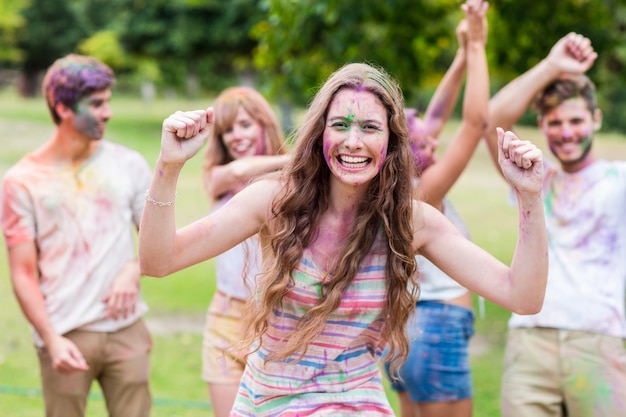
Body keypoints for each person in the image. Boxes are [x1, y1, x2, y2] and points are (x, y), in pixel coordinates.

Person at [138, 60, 547, 416]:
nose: (354, 141)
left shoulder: (410, 221)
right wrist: (168, 166)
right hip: (269, 403)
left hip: (356, 403)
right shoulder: (272, 202)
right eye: (340, 125)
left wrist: (530, 198)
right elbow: (160, 261)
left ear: (390, 142)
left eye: (370, 127)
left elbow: (521, 295)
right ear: (319, 135)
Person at [0, 54, 152, 417]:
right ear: (63, 107)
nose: (108, 112)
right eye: (97, 103)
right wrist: (51, 339)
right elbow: (22, 273)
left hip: (126, 328)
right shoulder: (21, 181)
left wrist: (133, 270)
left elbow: (157, 241)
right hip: (63, 334)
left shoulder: (129, 164)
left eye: (108, 101)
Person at [484, 33, 626, 417]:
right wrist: (552, 65)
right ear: (542, 125)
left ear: (596, 119)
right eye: (556, 122)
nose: (567, 132)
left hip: (600, 341)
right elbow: (490, 120)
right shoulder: (533, 179)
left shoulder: (620, 180)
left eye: (577, 120)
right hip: (530, 342)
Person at [384, 1, 489, 416]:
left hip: (402, 329)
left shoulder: (393, 186)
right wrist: (479, 44)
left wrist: (462, 55)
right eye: (422, 142)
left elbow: (437, 116)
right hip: (439, 325)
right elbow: (475, 122)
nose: (432, 140)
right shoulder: (424, 191)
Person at [200, 86, 289, 417]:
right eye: (226, 131)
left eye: (245, 125)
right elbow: (237, 172)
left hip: (277, 321)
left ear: (265, 123)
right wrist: (306, 156)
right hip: (225, 318)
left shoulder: (295, 183)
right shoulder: (218, 177)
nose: (235, 137)